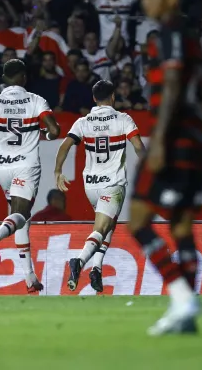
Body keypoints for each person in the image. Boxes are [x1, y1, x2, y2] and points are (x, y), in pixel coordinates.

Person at [131, 0, 202, 335]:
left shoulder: (170, 32)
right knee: (180, 226)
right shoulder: (189, 35)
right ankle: (186, 315)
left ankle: (181, 297)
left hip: (174, 138)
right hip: (194, 139)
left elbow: (174, 82)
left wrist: (159, 140)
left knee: (138, 220)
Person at [0, 59, 61, 293]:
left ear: (4, 79)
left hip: (2, 168)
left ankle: (30, 278)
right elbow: (55, 130)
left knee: (19, 217)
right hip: (26, 166)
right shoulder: (35, 100)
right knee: (20, 214)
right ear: (23, 77)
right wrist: (48, 135)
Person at [54, 80, 145, 293]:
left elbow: (65, 145)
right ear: (113, 97)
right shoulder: (123, 119)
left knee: (109, 224)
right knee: (102, 228)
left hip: (91, 187)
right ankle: (80, 260)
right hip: (112, 184)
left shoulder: (83, 122)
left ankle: (97, 268)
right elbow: (139, 146)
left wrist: (58, 171)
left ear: (94, 99)